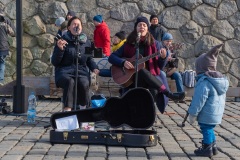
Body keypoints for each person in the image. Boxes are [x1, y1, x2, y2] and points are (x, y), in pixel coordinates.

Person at [108, 16, 185, 113]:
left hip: (149, 78)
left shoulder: (156, 44)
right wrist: (123, 62)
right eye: (139, 25)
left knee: (154, 89)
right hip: (131, 79)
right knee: (142, 70)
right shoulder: (129, 43)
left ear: (147, 28)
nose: (142, 27)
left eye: (144, 25)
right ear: (136, 28)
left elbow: (159, 67)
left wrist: (163, 57)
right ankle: (169, 94)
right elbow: (112, 57)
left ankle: (147, 113)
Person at [188, 44, 229, 157]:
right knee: (210, 129)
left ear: (201, 68)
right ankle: (213, 146)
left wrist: (193, 113)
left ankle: (207, 148)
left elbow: (199, 100)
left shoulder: (204, 81)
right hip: (215, 112)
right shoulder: (219, 80)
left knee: (206, 129)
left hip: (207, 113)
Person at [51, 16, 100, 112]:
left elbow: (89, 59)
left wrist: (94, 67)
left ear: (81, 27)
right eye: (74, 24)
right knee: (70, 82)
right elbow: (55, 62)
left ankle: (84, 111)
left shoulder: (87, 42)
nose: (76, 26)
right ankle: (67, 112)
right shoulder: (62, 40)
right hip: (64, 71)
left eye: (78, 24)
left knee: (84, 83)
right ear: (69, 27)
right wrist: (60, 50)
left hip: (81, 71)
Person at [0, 9, 16, 85]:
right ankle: (0, 80)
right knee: (1, 63)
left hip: (3, 46)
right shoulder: (6, 21)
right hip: (3, 46)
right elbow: (14, 33)